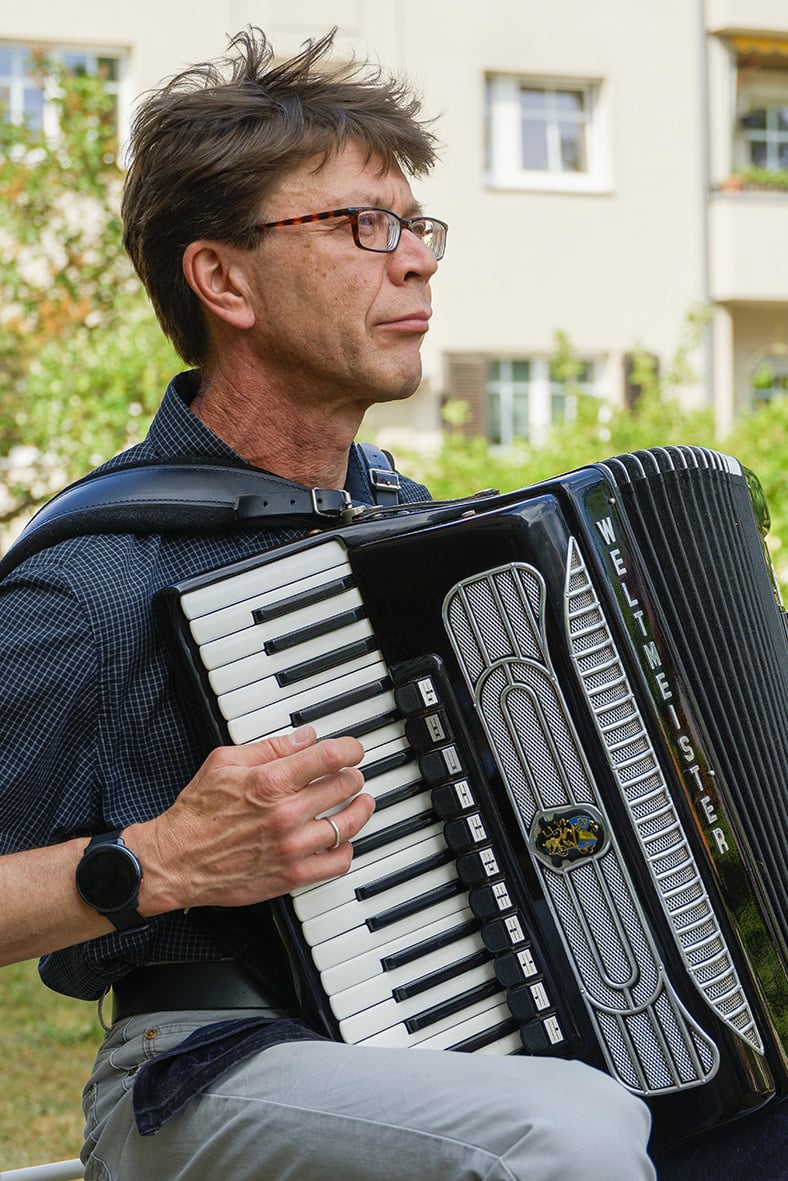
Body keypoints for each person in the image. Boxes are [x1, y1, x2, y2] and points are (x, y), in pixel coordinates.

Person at [0, 27, 656, 1181]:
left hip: (465, 1037)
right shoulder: (91, 576)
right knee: (567, 1136)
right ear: (223, 279)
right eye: (361, 225)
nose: (412, 260)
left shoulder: (417, 534)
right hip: (206, 1060)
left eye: (413, 226)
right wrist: (155, 860)